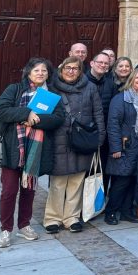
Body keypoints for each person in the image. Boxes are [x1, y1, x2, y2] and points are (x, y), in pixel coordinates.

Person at [0, 58, 65, 248]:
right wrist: (25, 113)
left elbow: (59, 119)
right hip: (13, 148)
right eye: (36, 70)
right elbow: (0, 112)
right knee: (9, 191)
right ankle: (6, 229)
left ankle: (24, 224)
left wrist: (37, 120)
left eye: (44, 71)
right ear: (28, 72)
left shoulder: (52, 95)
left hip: (36, 149)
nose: (40, 73)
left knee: (29, 190)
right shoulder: (15, 89)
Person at [44, 57, 105, 234]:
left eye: (75, 68)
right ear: (61, 69)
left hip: (82, 140)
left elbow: (98, 113)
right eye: (67, 68)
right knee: (58, 181)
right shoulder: (51, 87)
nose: (71, 71)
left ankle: (71, 217)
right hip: (58, 139)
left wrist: (99, 138)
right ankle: (52, 218)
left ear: (80, 71)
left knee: (77, 181)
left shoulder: (90, 88)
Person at [105, 68, 138, 225]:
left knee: (135, 180)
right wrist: (115, 148)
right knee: (121, 181)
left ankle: (126, 211)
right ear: (132, 79)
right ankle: (111, 212)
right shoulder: (121, 99)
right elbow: (113, 124)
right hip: (126, 146)